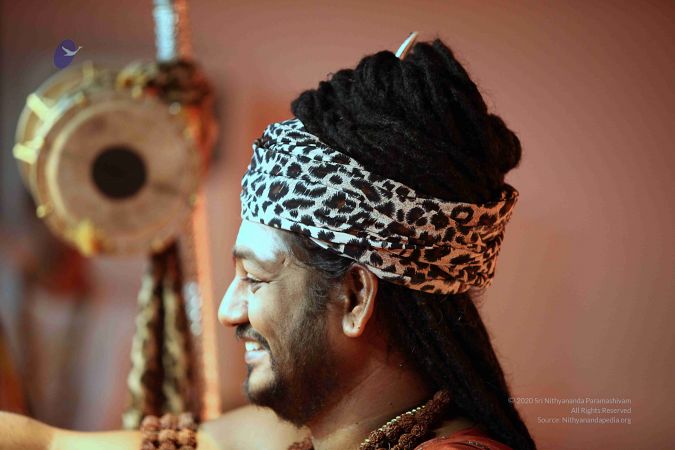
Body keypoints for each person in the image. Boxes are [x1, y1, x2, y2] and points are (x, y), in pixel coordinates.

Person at [0, 38, 535, 450]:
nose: (228, 311)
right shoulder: (295, 434)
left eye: (255, 278)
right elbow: (49, 445)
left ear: (355, 297)